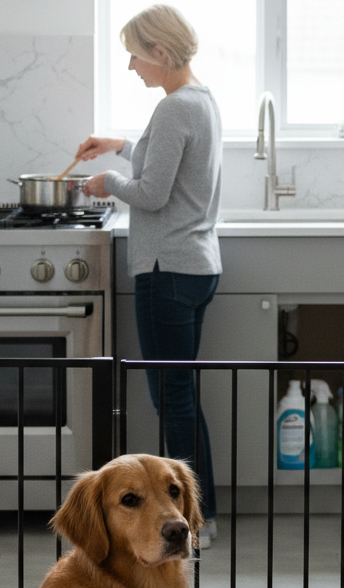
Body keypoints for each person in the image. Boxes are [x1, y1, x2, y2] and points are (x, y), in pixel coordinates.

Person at [77, 4, 221, 547]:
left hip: (167, 270)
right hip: (196, 265)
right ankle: (203, 521)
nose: (134, 67)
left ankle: (196, 528)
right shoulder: (198, 100)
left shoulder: (173, 108)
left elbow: (153, 192)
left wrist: (108, 182)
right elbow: (168, 162)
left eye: (136, 56)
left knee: (173, 399)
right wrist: (119, 146)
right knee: (182, 395)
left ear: (160, 52)